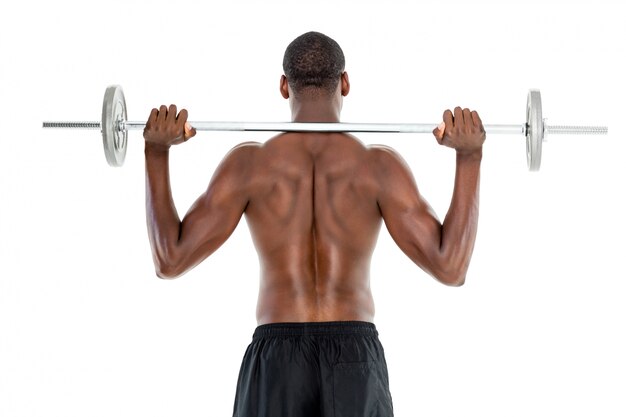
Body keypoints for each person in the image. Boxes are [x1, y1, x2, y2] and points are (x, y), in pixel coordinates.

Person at [143, 31, 485, 417]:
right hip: (354, 359)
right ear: (345, 83)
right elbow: (450, 267)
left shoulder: (249, 166)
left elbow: (169, 259)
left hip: (277, 363)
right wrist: (468, 157)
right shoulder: (379, 167)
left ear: (284, 86)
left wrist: (156, 152)